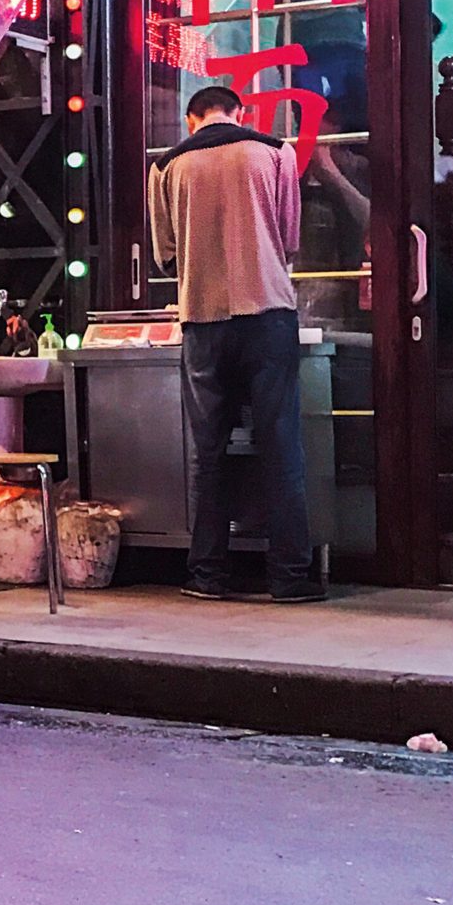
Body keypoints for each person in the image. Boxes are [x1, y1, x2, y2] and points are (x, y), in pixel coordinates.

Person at [149, 82, 321, 603]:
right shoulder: (274, 153)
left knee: (208, 453)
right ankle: (289, 578)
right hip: (267, 314)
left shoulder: (167, 167)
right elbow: (289, 239)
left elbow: (165, 253)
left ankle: (207, 575)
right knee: (280, 447)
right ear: (239, 112)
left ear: (190, 119)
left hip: (202, 320)